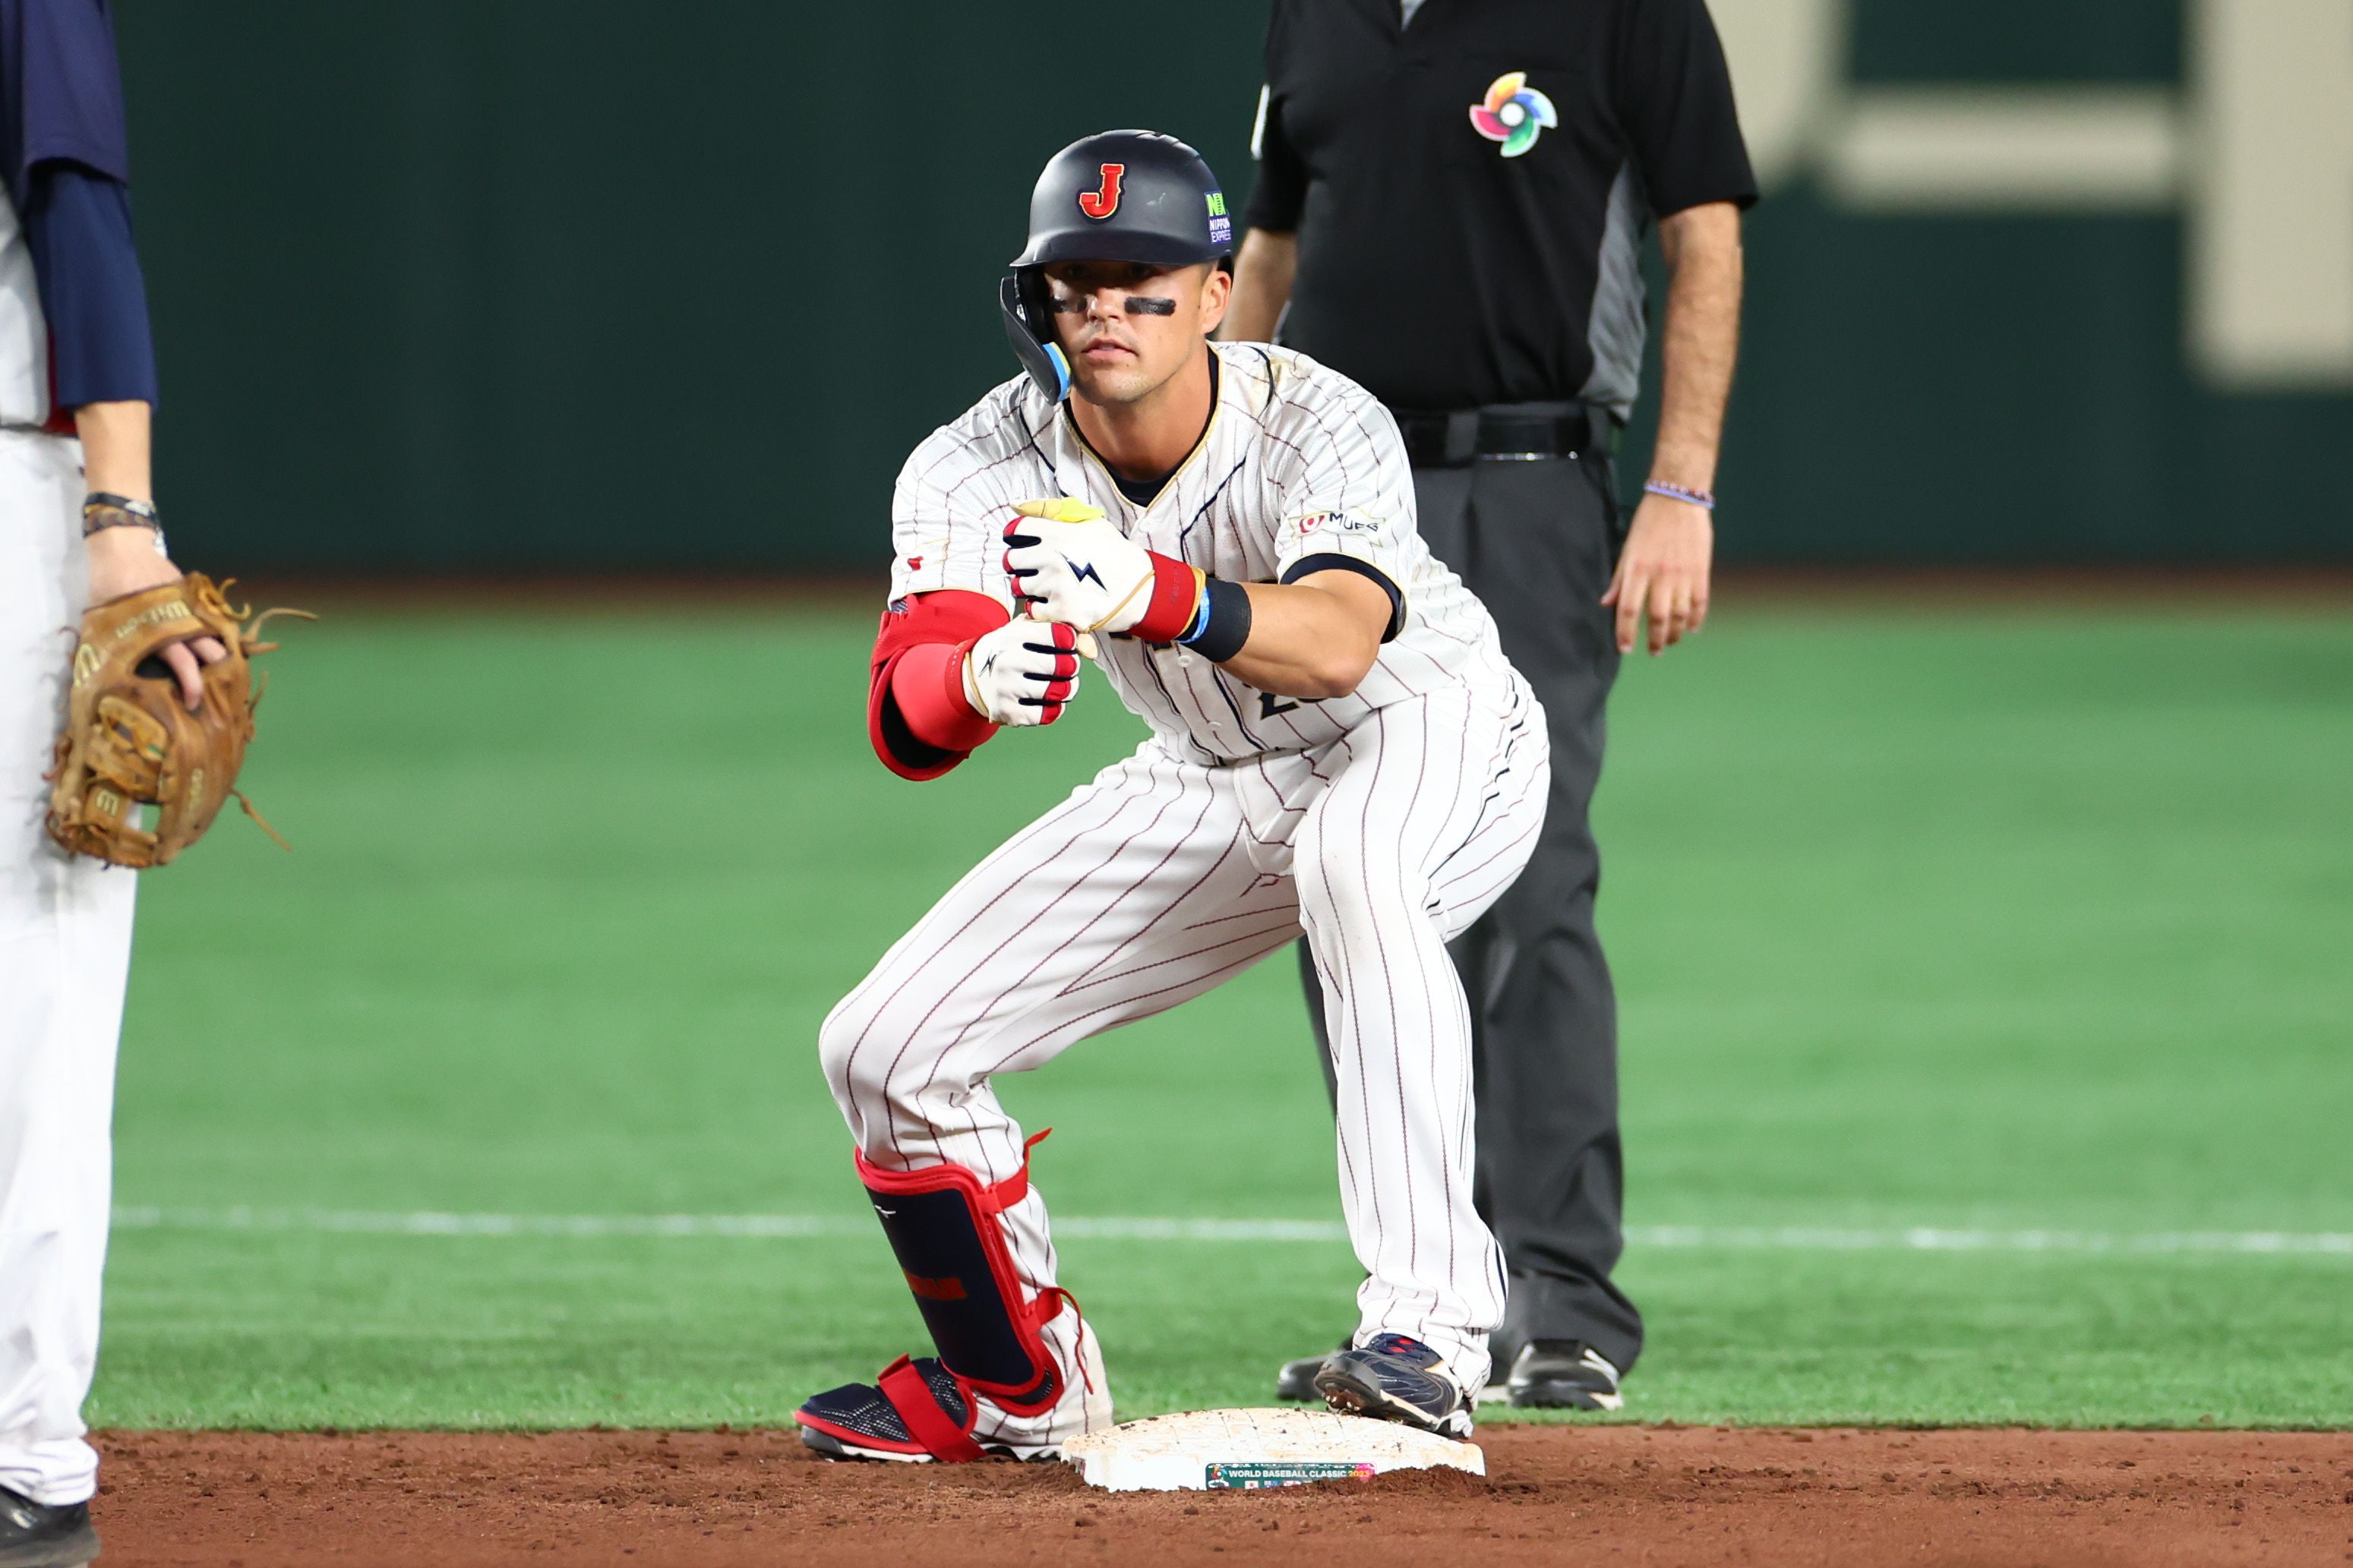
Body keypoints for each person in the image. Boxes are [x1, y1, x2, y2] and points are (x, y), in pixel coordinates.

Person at [793, 129, 1550, 1460]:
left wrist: (1149, 592)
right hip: (1205, 775)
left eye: (1144, 281)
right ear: (1038, 303)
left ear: (1214, 291)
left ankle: (1425, 1338)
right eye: (1076, 284)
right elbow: (905, 721)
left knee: (1356, 866)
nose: (1107, 311)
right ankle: (1019, 1386)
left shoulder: (1318, 418)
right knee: (882, 1048)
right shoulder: (977, 461)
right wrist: (972, 673)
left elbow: (1335, 643)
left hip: (1427, 726)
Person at [1223, 0, 1755, 1410]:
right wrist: (1214, 479)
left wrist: (1680, 489)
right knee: (1342, 882)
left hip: (1523, 481)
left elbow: (1703, 232)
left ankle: (1564, 1301)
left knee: (1529, 879)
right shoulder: (1314, 14)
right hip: (1330, 497)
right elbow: (1268, 252)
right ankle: (1418, 1310)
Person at [1, 1, 226, 1560]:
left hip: (23, 463)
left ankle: (27, 1444)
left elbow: (73, 196)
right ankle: (26, 1452)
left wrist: (115, 512)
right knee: (41, 981)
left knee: (38, 973)